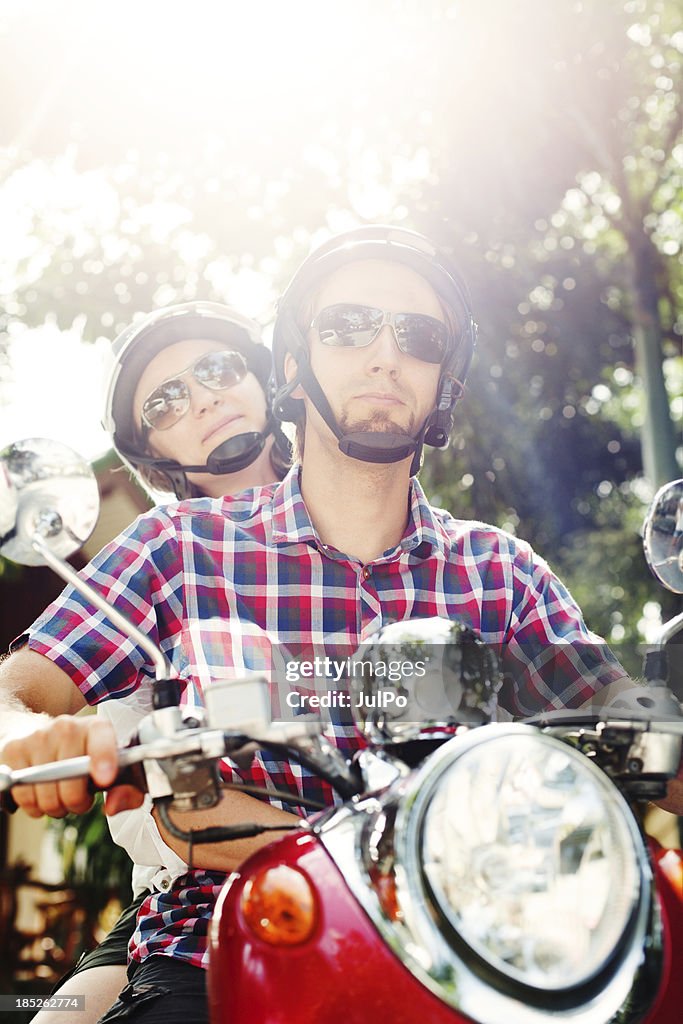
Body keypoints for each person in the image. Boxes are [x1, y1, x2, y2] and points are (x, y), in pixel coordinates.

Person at [0, 225, 661, 1024]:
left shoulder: (503, 571)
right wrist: (31, 736)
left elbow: (627, 710)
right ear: (293, 365)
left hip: (475, 954)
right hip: (219, 942)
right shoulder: (178, 547)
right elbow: (22, 690)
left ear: (442, 381)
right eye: (348, 326)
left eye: (418, 337)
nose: (385, 354)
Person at [8, 301, 291, 1024]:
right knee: (59, 1019)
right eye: (166, 402)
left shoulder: (392, 529)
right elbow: (19, 689)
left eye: (218, 369)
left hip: (395, 875)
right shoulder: (153, 552)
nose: (203, 397)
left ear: (263, 382)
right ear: (152, 455)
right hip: (182, 894)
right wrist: (28, 737)